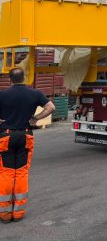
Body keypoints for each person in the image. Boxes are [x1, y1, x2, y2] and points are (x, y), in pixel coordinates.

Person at [0, 67, 55, 223]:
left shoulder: (2, 94)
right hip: (25, 135)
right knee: (21, 173)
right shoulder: (34, 93)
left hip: (6, 136)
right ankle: (18, 213)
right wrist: (36, 118)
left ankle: (5, 214)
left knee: (6, 173)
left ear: (9, 79)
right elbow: (51, 107)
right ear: (24, 78)